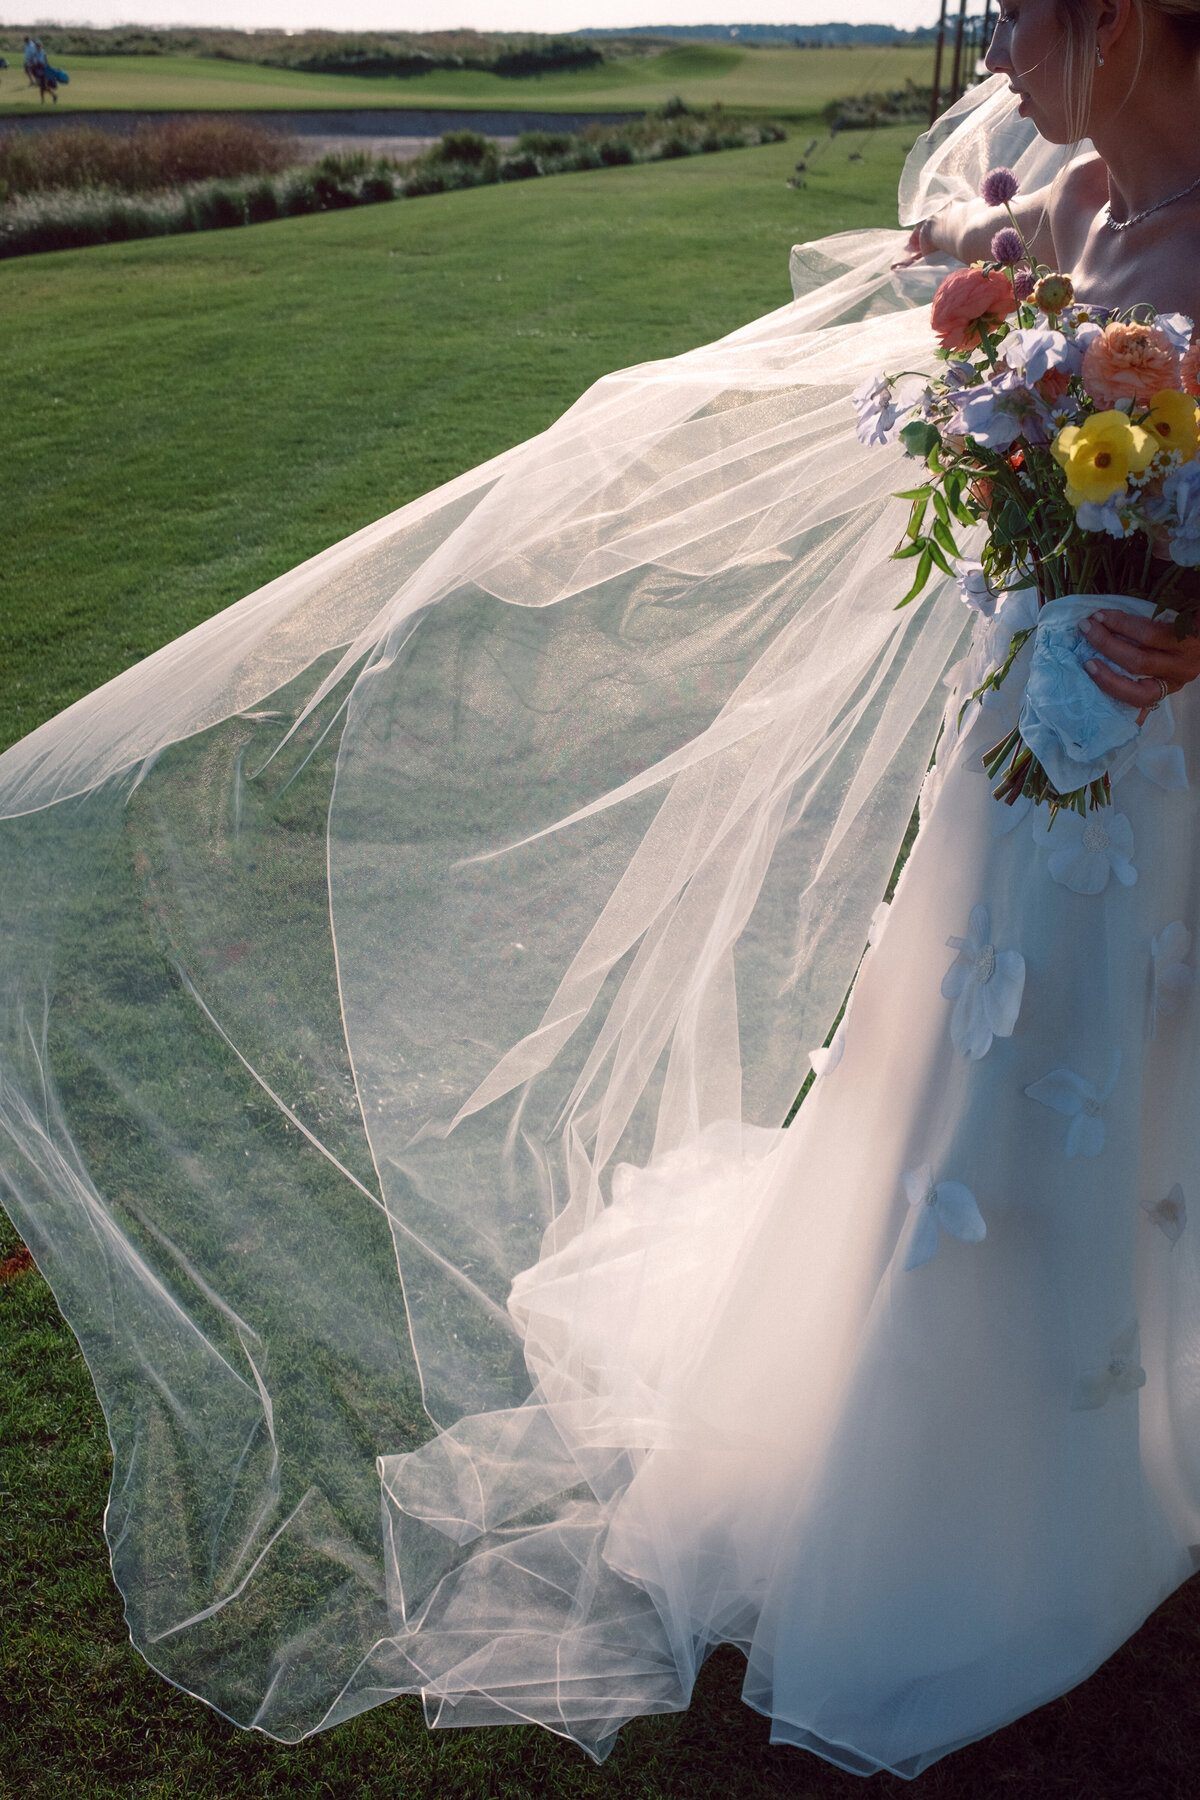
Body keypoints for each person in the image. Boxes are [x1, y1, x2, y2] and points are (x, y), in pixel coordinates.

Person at [4, 0, 1200, 1780]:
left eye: (1025, 11)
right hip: (1026, 748)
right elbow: (963, 296)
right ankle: (950, 1450)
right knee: (984, 1089)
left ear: (1124, 19)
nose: (1000, 52)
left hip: (1160, 750)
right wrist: (972, 324)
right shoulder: (1071, 192)